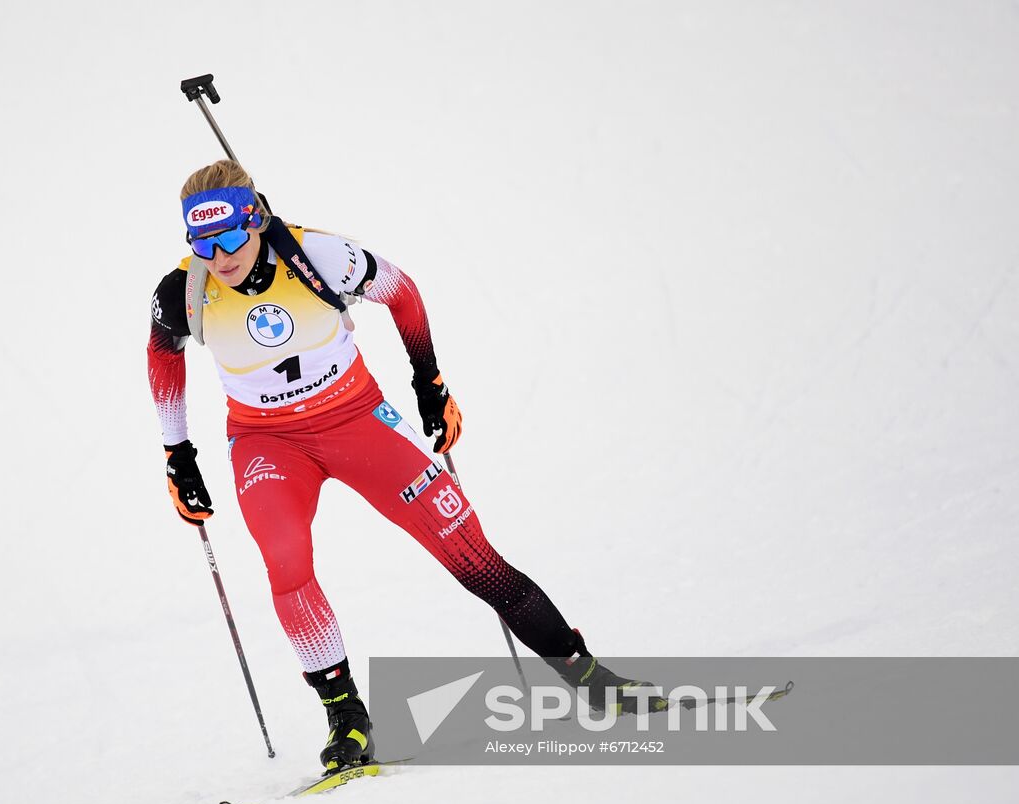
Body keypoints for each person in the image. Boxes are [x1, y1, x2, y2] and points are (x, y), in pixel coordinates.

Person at [146, 160, 663, 772]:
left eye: (230, 236)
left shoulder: (319, 257)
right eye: (202, 242)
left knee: (470, 555)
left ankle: (587, 676)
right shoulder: (182, 291)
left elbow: (403, 292)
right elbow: (162, 355)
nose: (220, 255)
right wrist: (178, 454)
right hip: (268, 443)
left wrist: (429, 381)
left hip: (357, 421)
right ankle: (347, 718)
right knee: (285, 563)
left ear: (255, 219)